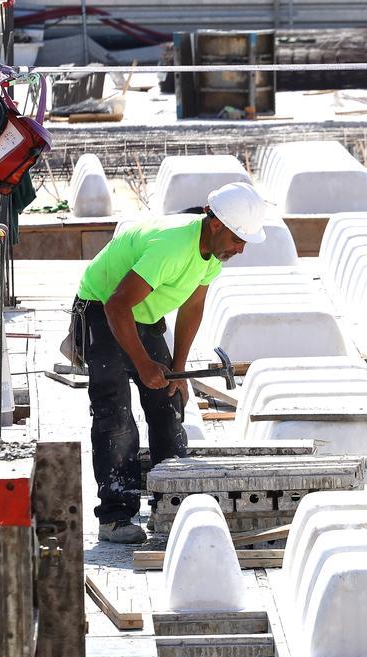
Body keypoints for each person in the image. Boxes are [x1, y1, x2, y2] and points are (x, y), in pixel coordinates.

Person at [69, 182, 268, 544]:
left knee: (168, 403)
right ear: (217, 223)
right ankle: (115, 516)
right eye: (239, 239)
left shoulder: (211, 254)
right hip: (101, 310)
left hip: (141, 315)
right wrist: (144, 365)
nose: (241, 249)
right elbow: (116, 306)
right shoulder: (173, 246)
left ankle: (171, 505)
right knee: (116, 414)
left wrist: (177, 369)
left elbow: (192, 308)